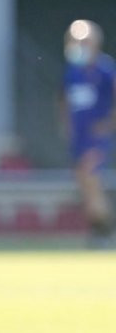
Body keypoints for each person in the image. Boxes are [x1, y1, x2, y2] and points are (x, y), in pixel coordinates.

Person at [61, 19, 116, 247]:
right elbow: (63, 100)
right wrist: (66, 125)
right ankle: (98, 230)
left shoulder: (106, 70)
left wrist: (108, 125)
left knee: (90, 179)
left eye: (83, 40)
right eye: (74, 40)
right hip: (79, 139)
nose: (78, 44)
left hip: (97, 139)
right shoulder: (72, 72)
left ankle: (107, 232)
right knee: (86, 185)